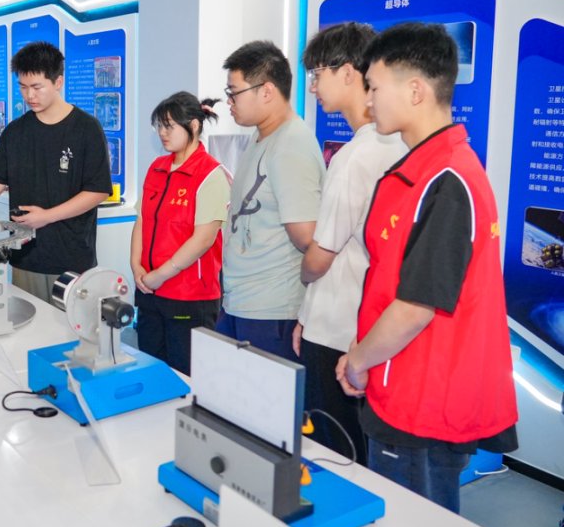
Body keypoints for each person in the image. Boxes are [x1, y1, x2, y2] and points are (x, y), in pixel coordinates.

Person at [337, 22, 518, 512]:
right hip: (399, 384)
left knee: (414, 520)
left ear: (415, 90)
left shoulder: (448, 180)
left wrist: (358, 361)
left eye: (375, 87)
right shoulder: (424, 171)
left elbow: (414, 308)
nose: (368, 101)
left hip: (422, 399)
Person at [294, 24, 407, 464]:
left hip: (336, 327)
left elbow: (321, 257)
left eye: (316, 74)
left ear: (347, 72)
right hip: (370, 328)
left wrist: (304, 282)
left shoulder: (354, 157)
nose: (313, 87)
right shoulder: (402, 146)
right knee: (362, 453)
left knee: (333, 452)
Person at [0, 41, 112, 302]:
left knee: (72, 327)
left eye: (37, 87)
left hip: (72, 258)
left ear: (58, 82)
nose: (29, 95)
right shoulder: (16, 132)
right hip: (25, 256)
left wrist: (47, 217)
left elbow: (98, 190)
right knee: (30, 324)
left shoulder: (86, 129)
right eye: (23, 87)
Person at [219, 40, 326, 361]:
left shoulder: (291, 146)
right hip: (242, 300)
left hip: (271, 311)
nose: (229, 102)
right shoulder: (262, 135)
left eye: (234, 93)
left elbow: (307, 238)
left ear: (266, 91)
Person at [130, 92, 229, 375]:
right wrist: (136, 266)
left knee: (185, 376)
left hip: (188, 295)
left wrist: (161, 274)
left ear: (193, 125)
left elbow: (203, 239)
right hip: (149, 290)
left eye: (169, 126)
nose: (162, 133)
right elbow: (142, 220)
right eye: (159, 126)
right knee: (150, 369)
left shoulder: (210, 174)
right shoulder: (157, 168)